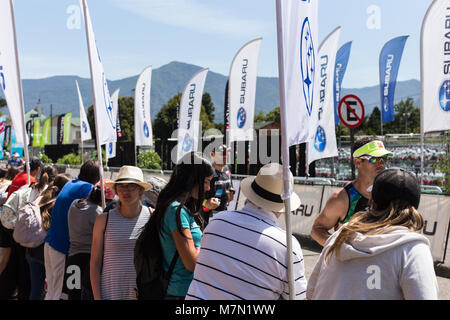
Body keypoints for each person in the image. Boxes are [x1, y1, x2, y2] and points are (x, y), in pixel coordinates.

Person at [306, 167, 439, 300]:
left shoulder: (339, 236)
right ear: (414, 208)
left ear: (372, 204)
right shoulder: (412, 250)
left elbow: (310, 293)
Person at [186, 162, 307, 300]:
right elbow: (297, 297)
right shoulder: (288, 246)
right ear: (284, 204)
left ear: (251, 193)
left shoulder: (217, 222)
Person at [138, 152, 214, 300]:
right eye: (205, 181)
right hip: (179, 293)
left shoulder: (180, 208)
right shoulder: (176, 211)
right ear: (192, 179)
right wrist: (213, 248)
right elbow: (191, 263)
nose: (208, 188)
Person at [311, 138, 393, 246]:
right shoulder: (342, 199)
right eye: (374, 159)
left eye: (383, 158)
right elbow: (317, 230)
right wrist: (342, 250)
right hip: (351, 261)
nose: (381, 164)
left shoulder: (390, 194)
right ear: (358, 162)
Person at [90, 166, 152, 300]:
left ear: (140, 190)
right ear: (116, 190)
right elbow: (95, 263)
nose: (125, 191)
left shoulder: (153, 217)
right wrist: (97, 297)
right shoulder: (103, 220)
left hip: (144, 293)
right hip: (110, 294)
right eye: (121, 186)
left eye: (131, 186)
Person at [44, 160, 100, 300]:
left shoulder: (70, 183)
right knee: (58, 294)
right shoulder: (87, 189)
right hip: (63, 248)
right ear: (97, 176)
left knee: (51, 292)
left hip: (51, 243)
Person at [66, 181, 116, 300]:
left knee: (72, 295)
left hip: (72, 258)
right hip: (88, 260)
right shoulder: (98, 213)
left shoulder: (74, 204)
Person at [27, 175, 70, 300]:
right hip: (50, 251)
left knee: (36, 289)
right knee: (53, 290)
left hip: (32, 250)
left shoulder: (41, 199)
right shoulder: (60, 205)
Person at [200, 144, 235, 226]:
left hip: (223, 214)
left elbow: (229, 185)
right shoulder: (206, 171)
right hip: (206, 217)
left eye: (227, 154)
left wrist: (231, 191)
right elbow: (194, 194)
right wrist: (205, 203)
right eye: (222, 154)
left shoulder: (228, 168)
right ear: (212, 155)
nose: (225, 156)